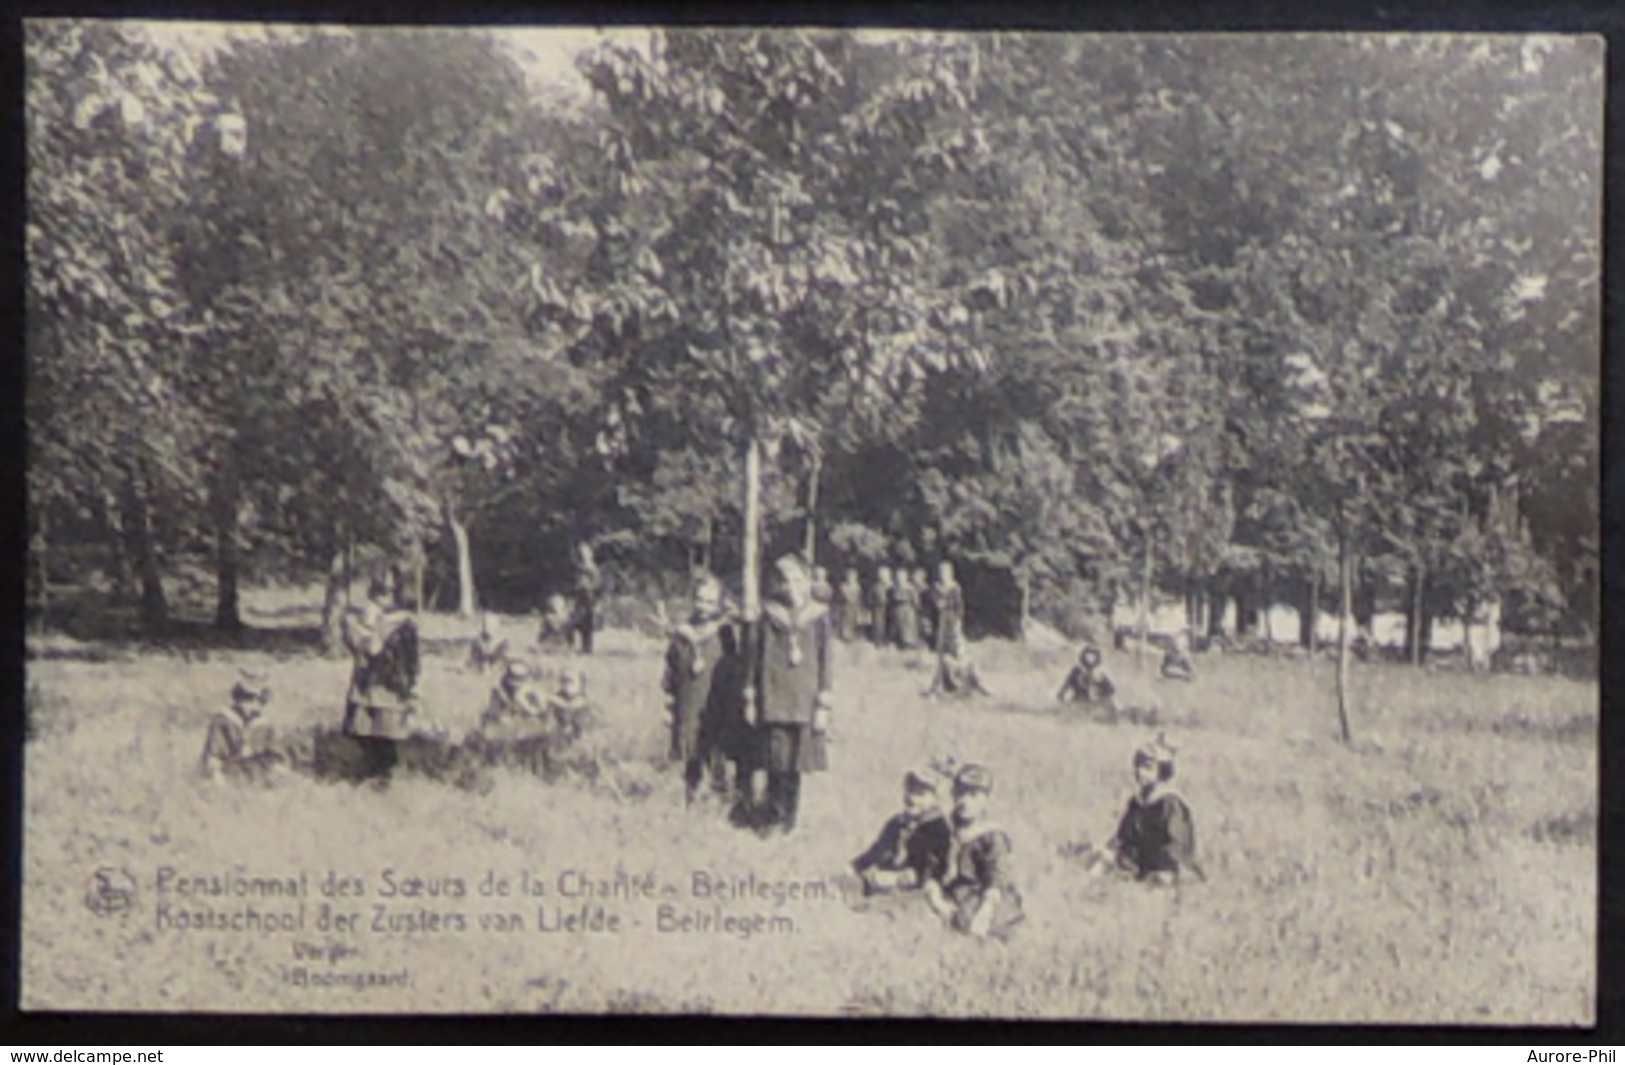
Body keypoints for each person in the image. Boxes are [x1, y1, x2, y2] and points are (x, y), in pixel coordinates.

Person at [748, 554, 834, 835]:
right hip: (775, 695)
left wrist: (824, 699)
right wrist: (750, 696)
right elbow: (754, 657)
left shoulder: (819, 616)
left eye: (796, 579)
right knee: (775, 759)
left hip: (804, 697)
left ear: (808, 581)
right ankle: (772, 815)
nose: (791, 586)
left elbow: (825, 659)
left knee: (796, 762)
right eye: (784, 581)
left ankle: (789, 819)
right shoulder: (768, 613)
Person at [663, 574, 742, 805]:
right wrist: (669, 704)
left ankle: (722, 797)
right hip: (689, 701)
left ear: (719, 603)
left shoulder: (725, 633)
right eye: (699, 599)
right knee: (691, 750)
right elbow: (671, 672)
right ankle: (691, 797)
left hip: (715, 702)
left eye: (710, 601)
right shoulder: (682, 633)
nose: (703, 606)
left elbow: (733, 667)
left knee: (716, 753)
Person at [925, 764, 1024, 939]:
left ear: (985, 799)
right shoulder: (948, 827)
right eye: (960, 794)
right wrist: (934, 894)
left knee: (969, 922)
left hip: (981, 896)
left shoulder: (991, 835)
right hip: (953, 891)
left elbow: (996, 879)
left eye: (973, 795)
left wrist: (985, 912)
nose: (965, 801)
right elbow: (934, 865)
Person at [341, 573, 420, 780]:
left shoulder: (402, 623)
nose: (388, 596)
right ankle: (372, 769)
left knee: (387, 733)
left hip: (388, 685)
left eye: (391, 591)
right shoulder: (363, 617)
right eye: (383, 591)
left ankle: (384, 774)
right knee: (362, 730)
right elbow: (368, 647)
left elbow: (410, 658)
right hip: (366, 683)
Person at [1100, 734, 1199, 885]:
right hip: (1135, 866)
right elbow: (1123, 837)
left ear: (1162, 771)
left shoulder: (1171, 804)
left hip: (1164, 868)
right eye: (1138, 766)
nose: (1140, 772)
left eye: (1148, 768)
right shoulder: (1136, 802)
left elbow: (1179, 847)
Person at [851, 767, 953, 895]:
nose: (912, 799)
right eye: (910, 791)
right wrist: (855, 867)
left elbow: (936, 868)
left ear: (935, 799)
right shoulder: (897, 823)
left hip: (917, 892)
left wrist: (899, 878)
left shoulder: (938, 829)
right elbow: (878, 849)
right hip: (882, 883)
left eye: (920, 794)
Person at [199, 668, 279, 783]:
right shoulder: (223, 720)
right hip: (226, 776)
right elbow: (213, 756)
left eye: (260, 700)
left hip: (256, 781)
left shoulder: (265, 724)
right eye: (250, 699)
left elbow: (273, 758)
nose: (256, 705)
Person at [481, 657, 547, 731]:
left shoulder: (524, 683)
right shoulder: (501, 684)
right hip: (504, 702)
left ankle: (537, 714)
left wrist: (540, 707)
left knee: (532, 695)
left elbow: (531, 689)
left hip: (517, 698)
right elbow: (498, 689)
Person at [548, 668, 596, 744]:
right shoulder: (558, 696)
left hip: (580, 734)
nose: (567, 685)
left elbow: (576, 704)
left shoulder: (583, 698)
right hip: (560, 733)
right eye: (563, 681)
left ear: (580, 683)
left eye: (570, 681)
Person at [924, 646, 992, 699]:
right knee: (946, 662)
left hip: (962, 687)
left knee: (970, 663)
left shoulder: (968, 662)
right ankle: (933, 689)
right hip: (952, 687)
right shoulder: (946, 661)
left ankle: (979, 688)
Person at [571, 543, 603, 654]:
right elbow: (576, 582)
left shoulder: (593, 569)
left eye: (585, 553)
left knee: (588, 623)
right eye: (581, 553)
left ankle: (588, 648)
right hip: (580, 599)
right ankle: (581, 646)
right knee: (580, 623)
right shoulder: (579, 568)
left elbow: (598, 586)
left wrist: (596, 600)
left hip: (590, 599)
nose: (583, 555)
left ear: (590, 554)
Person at [933, 561, 965, 657]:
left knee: (955, 635)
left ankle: (957, 654)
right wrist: (937, 603)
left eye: (945, 572)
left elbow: (959, 604)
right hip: (942, 614)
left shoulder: (955, 587)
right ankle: (942, 655)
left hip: (953, 614)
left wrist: (959, 617)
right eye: (941, 572)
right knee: (942, 636)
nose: (943, 575)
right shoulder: (937, 586)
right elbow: (935, 600)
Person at [832, 569, 863, 643]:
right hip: (846, 606)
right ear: (846, 577)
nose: (851, 578)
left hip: (855, 607)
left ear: (856, 577)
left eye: (853, 577)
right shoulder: (843, 586)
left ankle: (852, 634)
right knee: (846, 620)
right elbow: (841, 597)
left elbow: (859, 597)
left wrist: (859, 606)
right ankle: (845, 635)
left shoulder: (858, 586)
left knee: (854, 620)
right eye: (849, 577)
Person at [893, 568, 921, 650]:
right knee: (900, 626)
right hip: (898, 610)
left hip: (908, 609)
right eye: (898, 576)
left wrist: (915, 607)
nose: (900, 578)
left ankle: (910, 644)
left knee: (909, 626)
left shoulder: (910, 588)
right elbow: (894, 599)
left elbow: (916, 600)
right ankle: (901, 644)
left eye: (902, 576)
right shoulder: (895, 587)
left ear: (905, 577)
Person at [865, 567, 891, 647]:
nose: (884, 577)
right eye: (882, 575)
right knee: (878, 625)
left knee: (890, 625)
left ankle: (889, 641)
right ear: (879, 576)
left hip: (890, 609)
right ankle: (878, 642)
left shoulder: (892, 585)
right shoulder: (875, 587)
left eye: (886, 575)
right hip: (878, 609)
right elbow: (869, 599)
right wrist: (874, 605)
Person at [915, 568, 937, 651]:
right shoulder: (914, 587)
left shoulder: (927, 589)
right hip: (918, 612)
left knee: (926, 628)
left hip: (926, 613)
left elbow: (930, 604)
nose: (914, 578)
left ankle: (930, 644)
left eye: (917, 576)